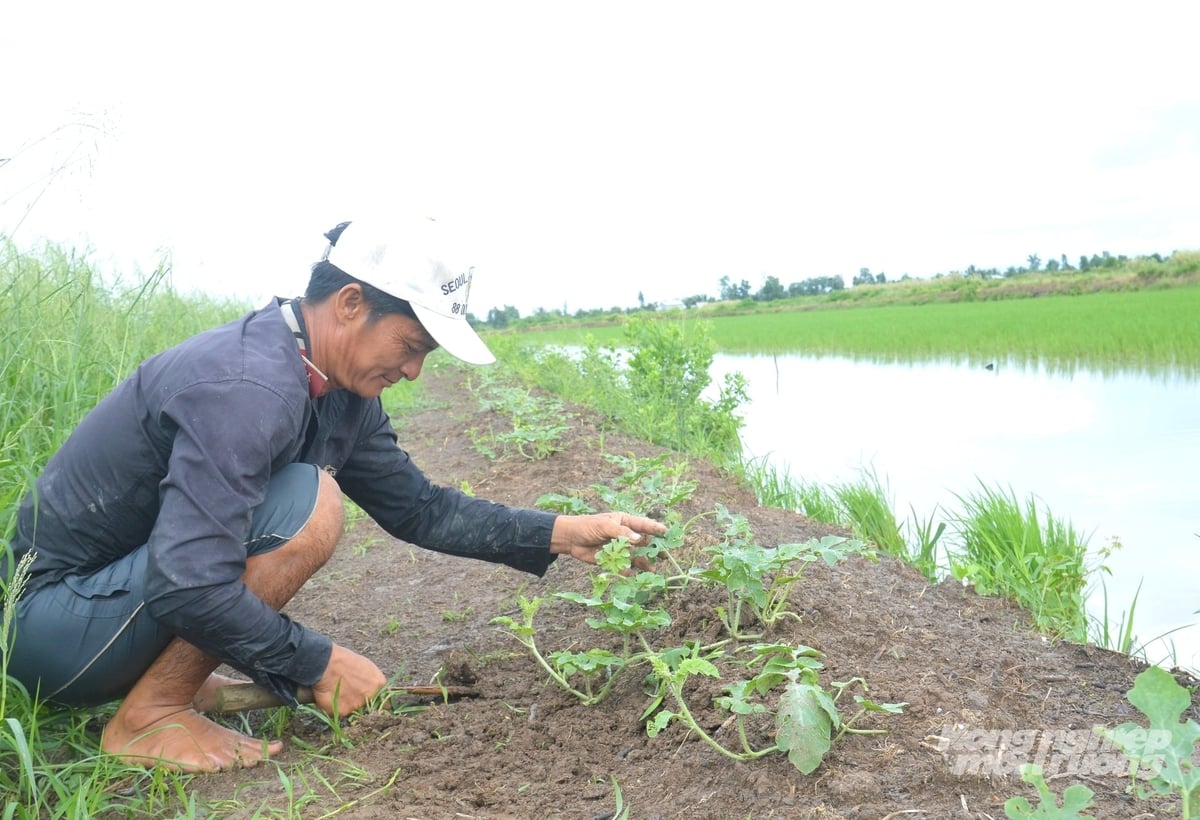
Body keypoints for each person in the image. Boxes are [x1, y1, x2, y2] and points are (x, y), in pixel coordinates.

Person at [5, 215, 665, 773]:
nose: (412, 370)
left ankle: (164, 685)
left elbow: (417, 506)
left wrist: (564, 531)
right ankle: (148, 717)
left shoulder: (338, 391)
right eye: (410, 345)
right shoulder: (248, 387)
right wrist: (315, 663)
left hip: (109, 608)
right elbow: (186, 582)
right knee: (310, 504)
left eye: (425, 356)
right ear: (350, 304)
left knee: (298, 499)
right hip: (47, 628)